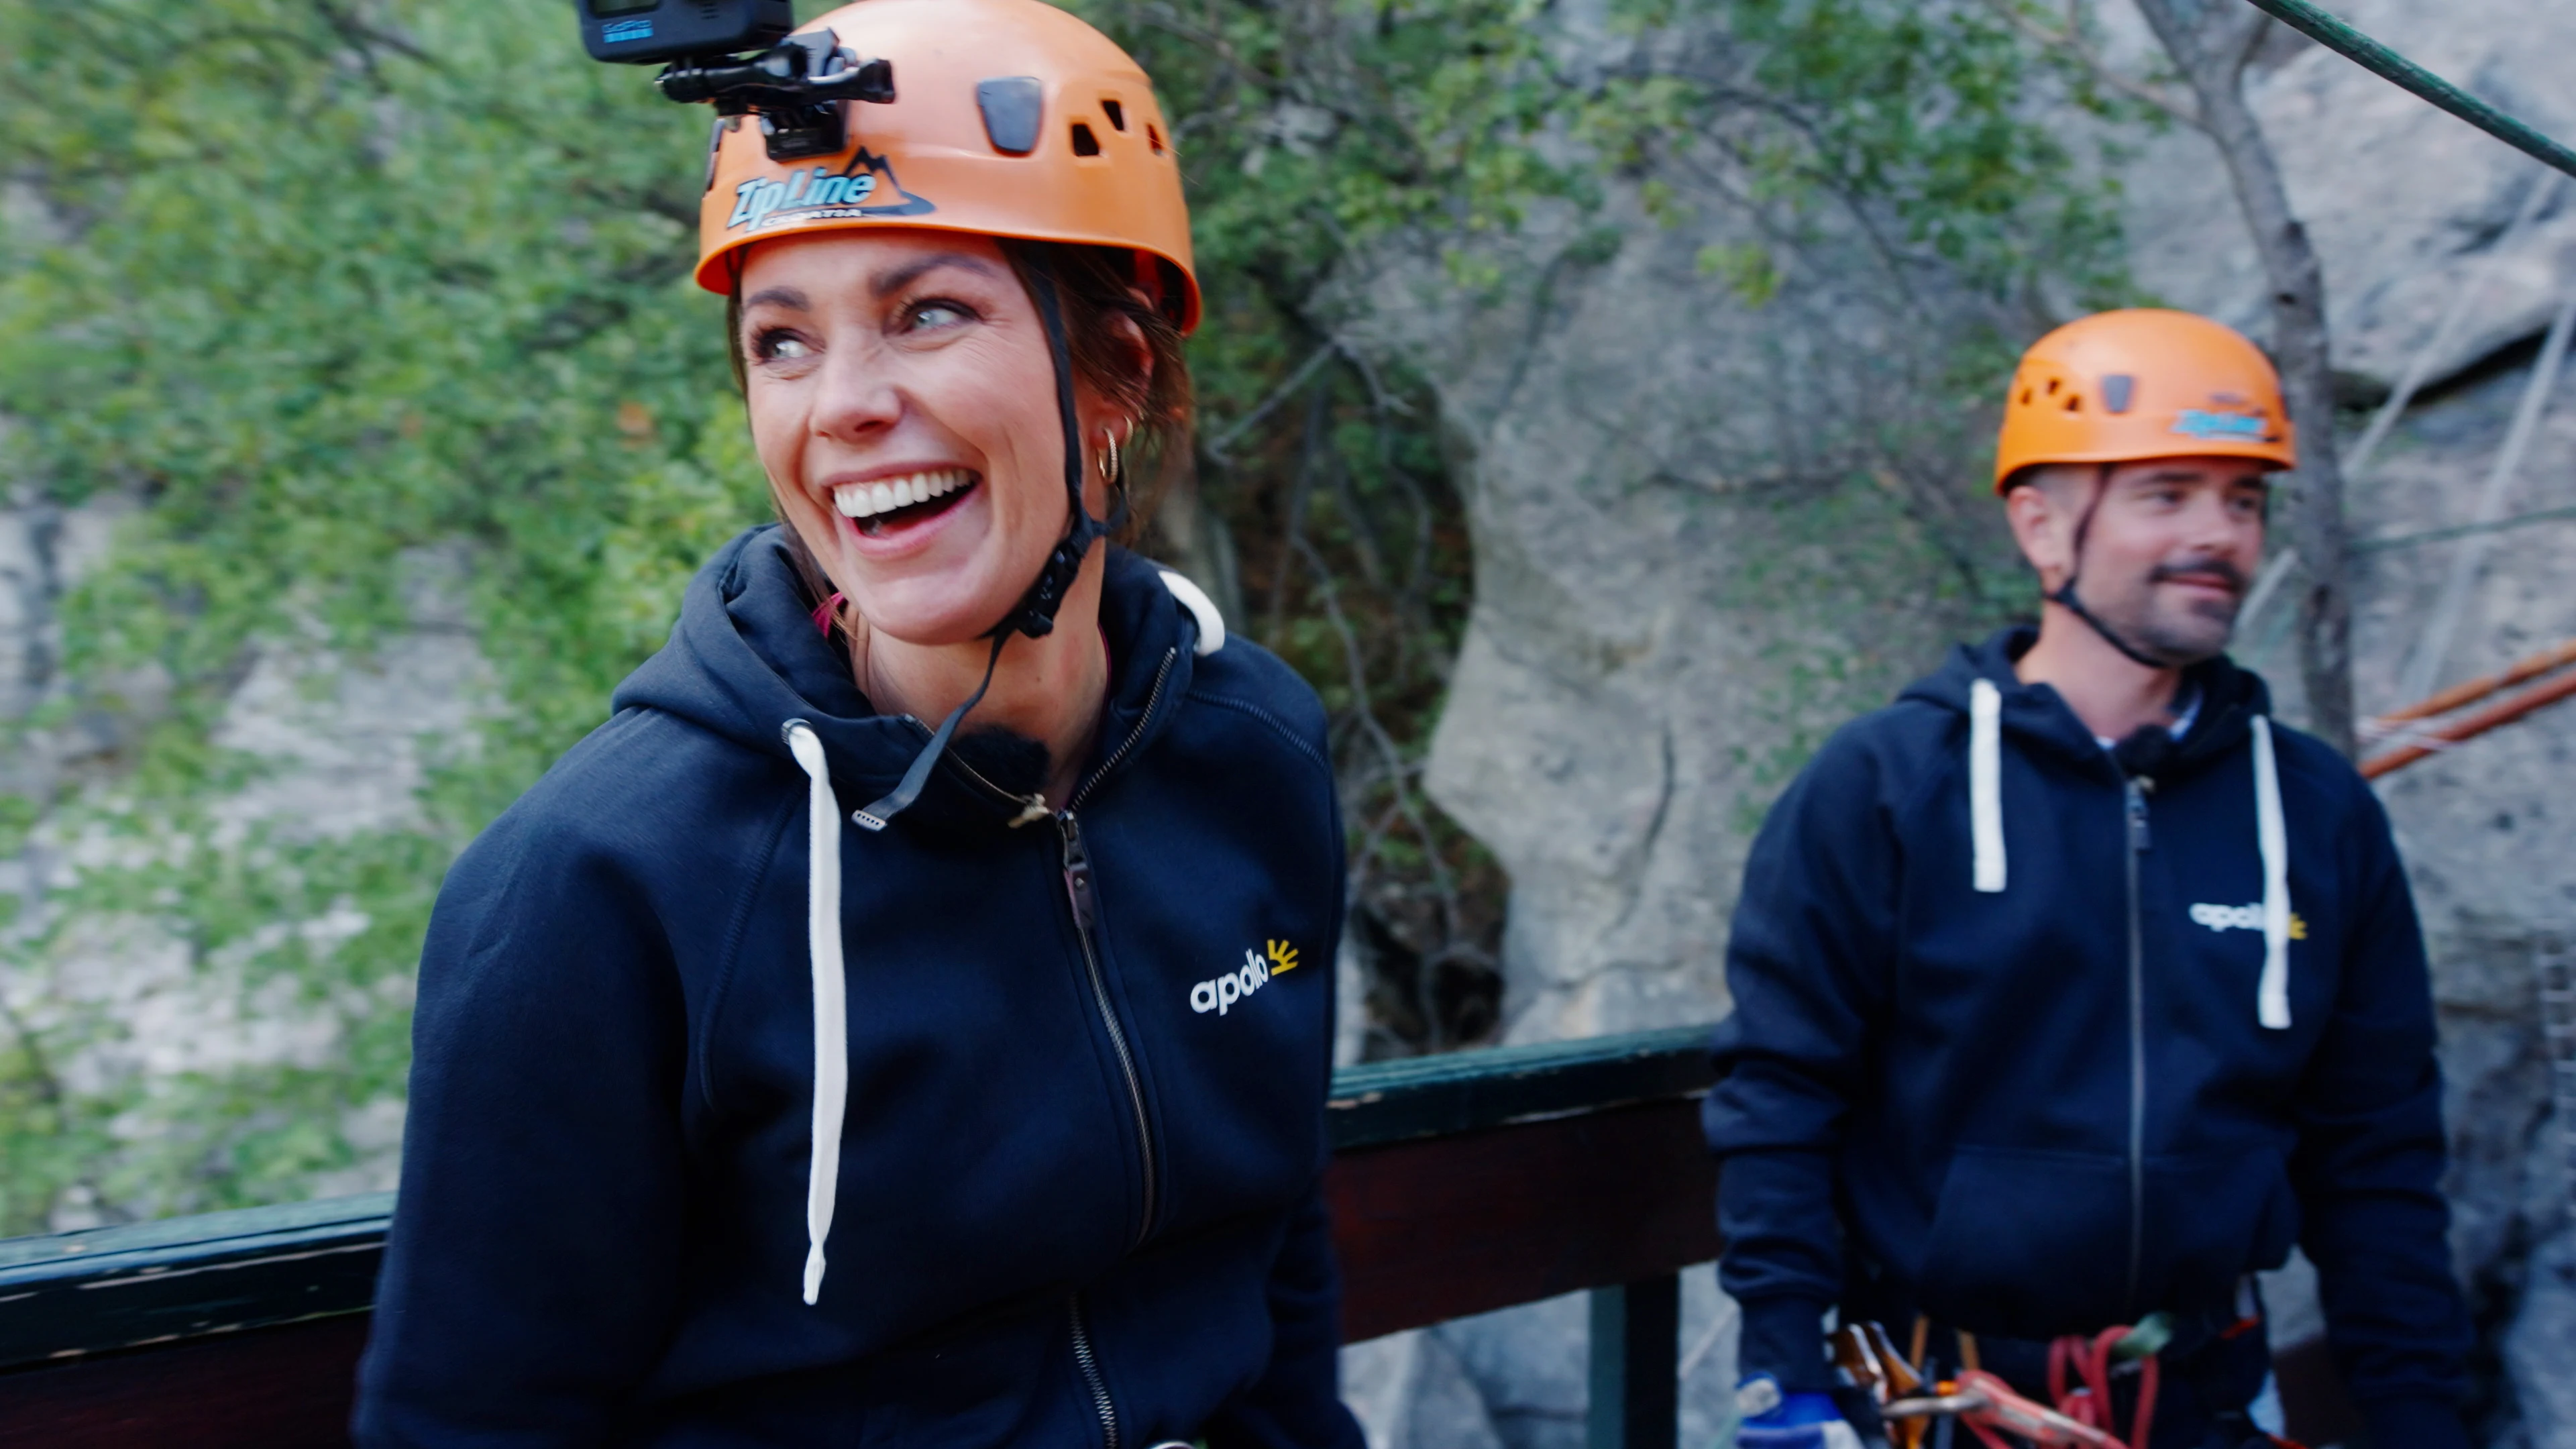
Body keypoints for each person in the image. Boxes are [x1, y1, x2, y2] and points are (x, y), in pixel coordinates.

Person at [354, 1, 1364, 1444]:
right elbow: (471, 1425)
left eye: (927, 313)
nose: (844, 408)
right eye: (781, 342)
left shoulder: (1249, 753)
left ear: (1119, 369)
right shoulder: (599, 887)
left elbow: (1274, 1257)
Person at [1703, 310, 2474, 1448]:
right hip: (1940, 1402)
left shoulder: (2316, 816)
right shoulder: (1889, 788)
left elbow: (2378, 1153)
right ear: (2043, 525)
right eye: (2168, 493)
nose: (2219, 533)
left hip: (2203, 1395)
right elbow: (1781, 1091)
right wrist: (1782, 1371)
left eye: (2244, 499)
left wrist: (2420, 1417)